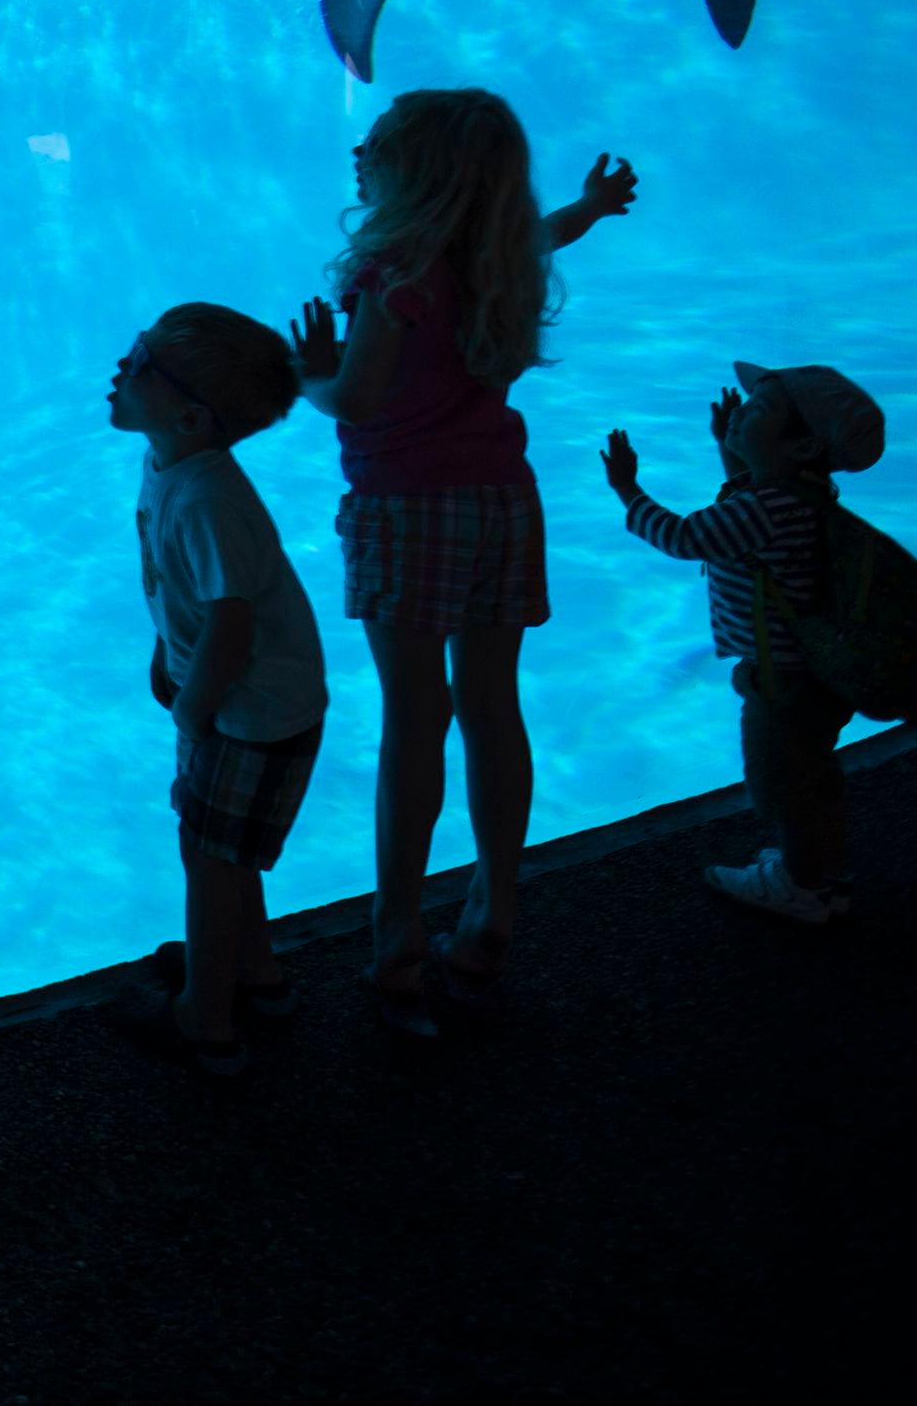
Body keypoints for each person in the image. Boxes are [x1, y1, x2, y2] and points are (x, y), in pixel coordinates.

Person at [290, 90, 637, 1035]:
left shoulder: (393, 270)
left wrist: (311, 370)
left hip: (406, 513)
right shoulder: (493, 253)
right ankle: (492, 915)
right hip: (499, 504)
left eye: (381, 144)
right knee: (491, 710)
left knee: (415, 721)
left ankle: (396, 946)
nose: (360, 152)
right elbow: (545, 231)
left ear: (417, 172)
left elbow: (355, 400)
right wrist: (593, 206)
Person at [109, 302, 328, 1076]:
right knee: (223, 850)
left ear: (190, 414)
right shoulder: (168, 461)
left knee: (206, 854)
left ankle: (205, 1022)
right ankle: (255, 972)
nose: (120, 364)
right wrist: (169, 656)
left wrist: (196, 704)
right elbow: (189, 597)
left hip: (249, 713)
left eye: (140, 361)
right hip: (233, 698)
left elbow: (232, 625)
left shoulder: (206, 498)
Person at [601, 364, 888, 924]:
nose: (742, 414)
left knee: (778, 779)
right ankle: (821, 870)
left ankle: (801, 887)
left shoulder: (765, 509)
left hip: (781, 682)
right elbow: (745, 496)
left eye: (759, 411)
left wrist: (628, 490)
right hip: (814, 675)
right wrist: (730, 446)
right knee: (812, 774)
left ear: (803, 444)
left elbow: (685, 537)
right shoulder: (801, 493)